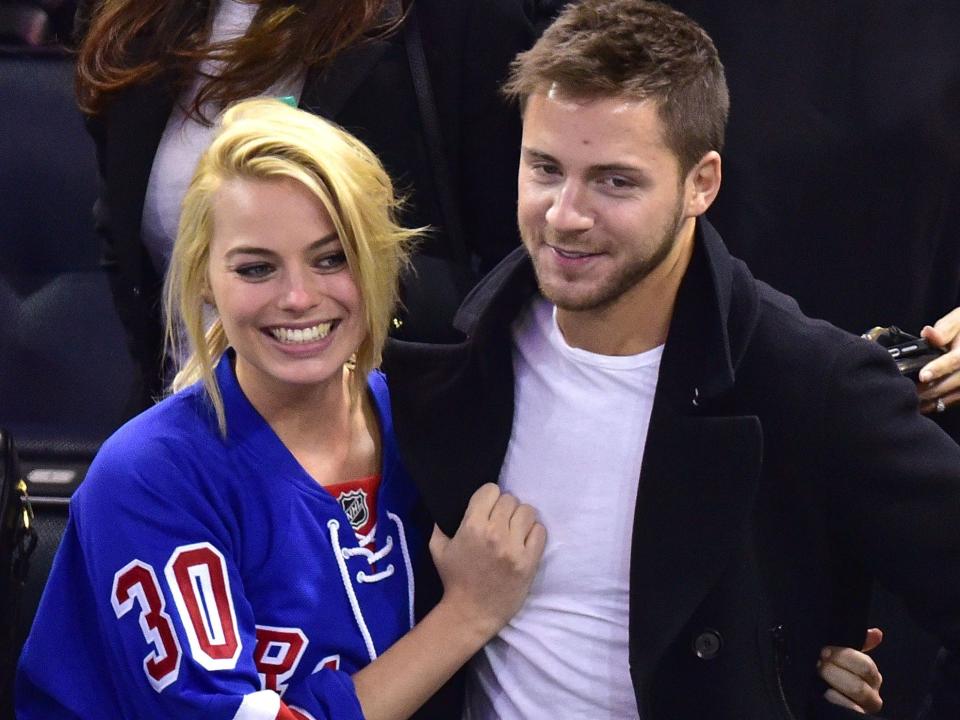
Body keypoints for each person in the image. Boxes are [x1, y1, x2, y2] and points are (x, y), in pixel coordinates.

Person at [382, 0, 960, 717]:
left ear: (701, 183)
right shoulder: (446, 358)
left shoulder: (808, 384)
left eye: (615, 181)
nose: (566, 213)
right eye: (544, 168)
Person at [15, 99, 546, 719]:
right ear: (204, 278)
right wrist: (467, 614)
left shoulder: (429, 418)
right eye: (257, 268)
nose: (298, 297)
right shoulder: (146, 476)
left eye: (332, 258)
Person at [72, 0, 562, 410]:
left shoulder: (455, 19)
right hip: (193, 437)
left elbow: (518, 261)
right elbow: (122, 234)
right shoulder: (128, 19)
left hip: (402, 448)